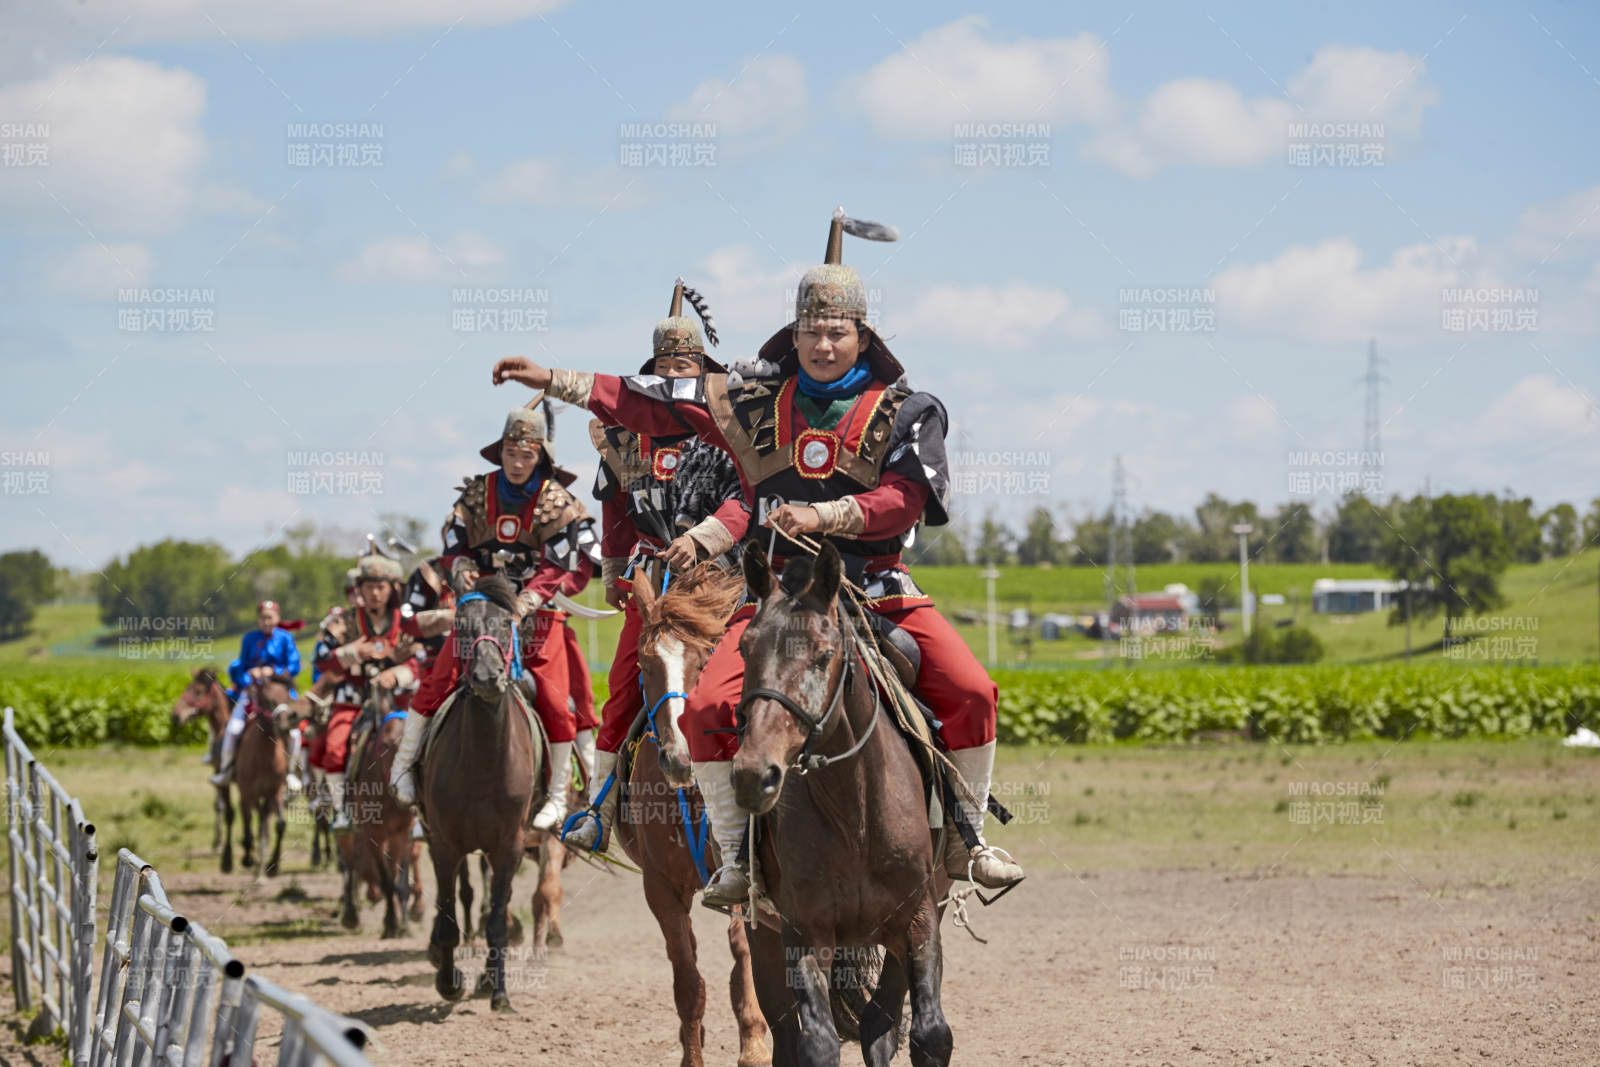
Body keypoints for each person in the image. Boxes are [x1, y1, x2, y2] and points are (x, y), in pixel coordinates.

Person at [492, 209, 1025, 904]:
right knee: (705, 708)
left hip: (877, 587)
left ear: (862, 336)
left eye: (837, 332)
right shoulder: (751, 404)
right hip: (775, 597)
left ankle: (964, 837)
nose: (823, 344)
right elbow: (657, 400)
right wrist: (557, 377)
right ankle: (738, 859)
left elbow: (904, 499)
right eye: (811, 331)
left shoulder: (908, 410)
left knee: (974, 691)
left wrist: (826, 514)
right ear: (793, 335)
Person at [561, 279, 748, 854]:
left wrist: (703, 540)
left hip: (721, 580)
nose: (672, 374)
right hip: (650, 581)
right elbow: (615, 511)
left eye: (683, 365)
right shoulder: (624, 435)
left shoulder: (729, 428)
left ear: (702, 370)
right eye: (663, 366)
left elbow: (746, 499)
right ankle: (599, 807)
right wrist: (615, 574)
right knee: (623, 688)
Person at [389, 399, 594, 833]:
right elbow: (454, 547)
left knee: (555, 700)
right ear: (499, 451)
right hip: (481, 611)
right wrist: (465, 576)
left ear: (540, 457)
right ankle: (403, 767)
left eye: (526, 455)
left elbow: (557, 566)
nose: (517, 463)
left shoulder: (557, 502)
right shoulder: (475, 494)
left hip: (537, 615)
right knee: (438, 679)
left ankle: (558, 796)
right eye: (510, 453)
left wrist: (524, 603)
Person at [312, 549, 423, 832]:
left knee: (425, 744)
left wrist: (395, 675)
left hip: (398, 702)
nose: (375, 593)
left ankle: (422, 812)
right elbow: (321, 658)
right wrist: (351, 652)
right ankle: (341, 810)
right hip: (352, 702)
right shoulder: (343, 621)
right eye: (369, 587)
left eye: (381, 587)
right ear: (359, 589)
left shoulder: (407, 622)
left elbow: (420, 659)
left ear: (392, 589)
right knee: (335, 748)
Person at [211, 600, 302, 787]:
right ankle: (226, 770)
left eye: (270, 617)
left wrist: (272, 672)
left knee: (294, 734)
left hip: (279, 696)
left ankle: (291, 772)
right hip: (252, 693)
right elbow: (241, 668)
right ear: (258, 619)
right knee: (233, 729)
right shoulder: (249, 639)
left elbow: (294, 667)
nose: (266, 621)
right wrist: (250, 678)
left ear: (277, 618)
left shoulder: (286, 638)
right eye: (263, 618)